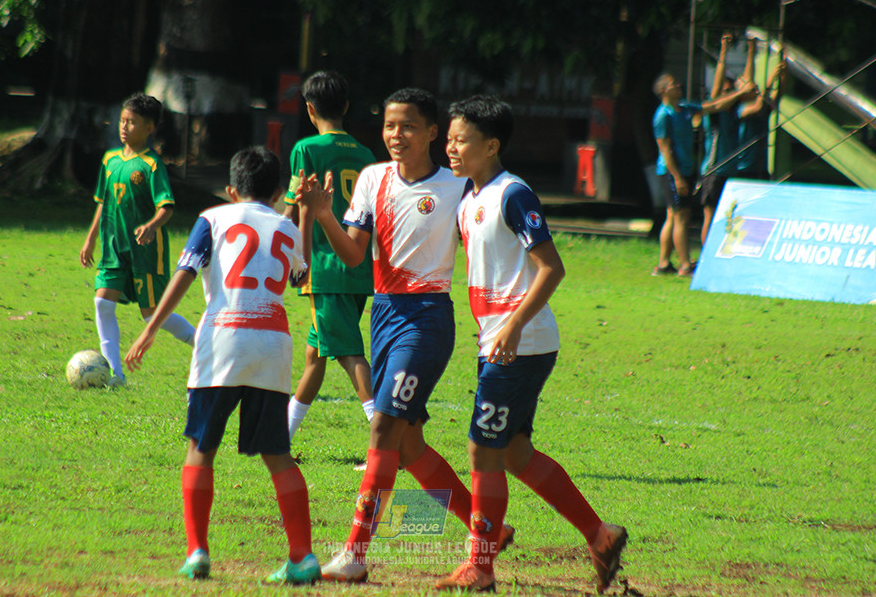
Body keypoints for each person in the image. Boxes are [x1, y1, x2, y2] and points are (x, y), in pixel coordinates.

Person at [298, 87, 512, 583]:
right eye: (391, 126)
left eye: (409, 126)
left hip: (428, 319)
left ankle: (354, 554)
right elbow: (355, 257)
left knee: (382, 428)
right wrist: (325, 214)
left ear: (433, 133)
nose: (397, 135)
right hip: (384, 314)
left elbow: (488, 240)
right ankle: (488, 532)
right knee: (409, 443)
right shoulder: (373, 178)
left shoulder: (459, 187)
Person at [436, 94, 627, 593]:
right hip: (500, 342)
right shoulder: (469, 198)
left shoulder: (511, 194)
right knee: (515, 454)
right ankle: (600, 535)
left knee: (482, 451)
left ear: (492, 145)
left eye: (461, 140)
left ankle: (479, 566)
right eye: (450, 138)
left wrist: (513, 326)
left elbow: (551, 267)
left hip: (520, 343)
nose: (451, 148)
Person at [123, 146, 321, 585]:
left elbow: (186, 273)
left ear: (232, 189)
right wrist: (304, 214)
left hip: (223, 341)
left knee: (200, 448)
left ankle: (197, 552)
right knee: (278, 455)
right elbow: (300, 276)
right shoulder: (285, 227)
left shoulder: (213, 219)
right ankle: (303, 557)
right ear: (275, 191)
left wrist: (151, 328)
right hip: (273, 342)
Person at [281, 71, 376, 445]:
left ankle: (385, 438)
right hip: (356, 265)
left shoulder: (306, 149)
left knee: (349, 353)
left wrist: (288, 256)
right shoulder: (367, 155)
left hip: (323, 266)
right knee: (314, 355)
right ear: (347, 107)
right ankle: (282, 438)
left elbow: (293, 207)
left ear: (309, 109)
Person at [79, 93, 195, 387]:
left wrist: (152, 226)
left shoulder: (152, 165)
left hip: (145, 251)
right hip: (113, 248)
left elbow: (166, 206)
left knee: (152, 315)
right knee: (103, 303)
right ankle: (116, 375)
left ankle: (204, 343)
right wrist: (91, 239)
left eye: (132, 122)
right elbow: (103, 203)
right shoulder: (110, 159)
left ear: (150, 127)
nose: (124, 127)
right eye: (122, 120)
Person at [651, 73, 754, 277]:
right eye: (673, 84)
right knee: (682, 217)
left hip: (686, 170)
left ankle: (663, 264)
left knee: (672, 216)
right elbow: (665, 149)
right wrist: (678, 177)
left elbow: (715, 106)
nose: (678, 85)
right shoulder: (663, 115)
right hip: (672, 172)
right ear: (663, 90)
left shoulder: (685, 109)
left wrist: (740, 92)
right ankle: (685, 265)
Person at [699, 33, 758, 246]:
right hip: (715, 169)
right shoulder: (714, 111)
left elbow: (748, 88)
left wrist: (751, 51)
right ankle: (705, 256)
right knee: (710, 216)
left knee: (729, 217)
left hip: (731, 171)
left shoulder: (734, 111)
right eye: (726, 90)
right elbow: (717, 93)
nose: (728, 93)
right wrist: (723, 52)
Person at [737, 38, 787, 180]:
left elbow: (779, 94)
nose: (754, 88)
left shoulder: (763, 105)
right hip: (743, 167)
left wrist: (783, 68)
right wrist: (771, 79)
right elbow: (758, 106)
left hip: (760, 166)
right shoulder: (739, 109)